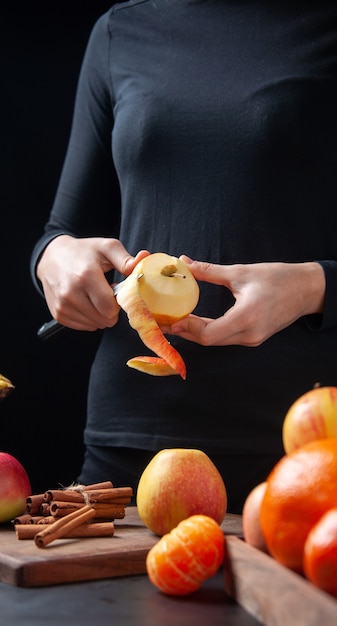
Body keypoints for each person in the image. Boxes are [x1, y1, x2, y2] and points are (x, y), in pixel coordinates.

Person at [31, 0, 337, 513]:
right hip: (130, 443)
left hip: (302, 449)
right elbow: (63, 232)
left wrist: (311, 287)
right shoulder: (121, 30)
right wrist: (54, 261)